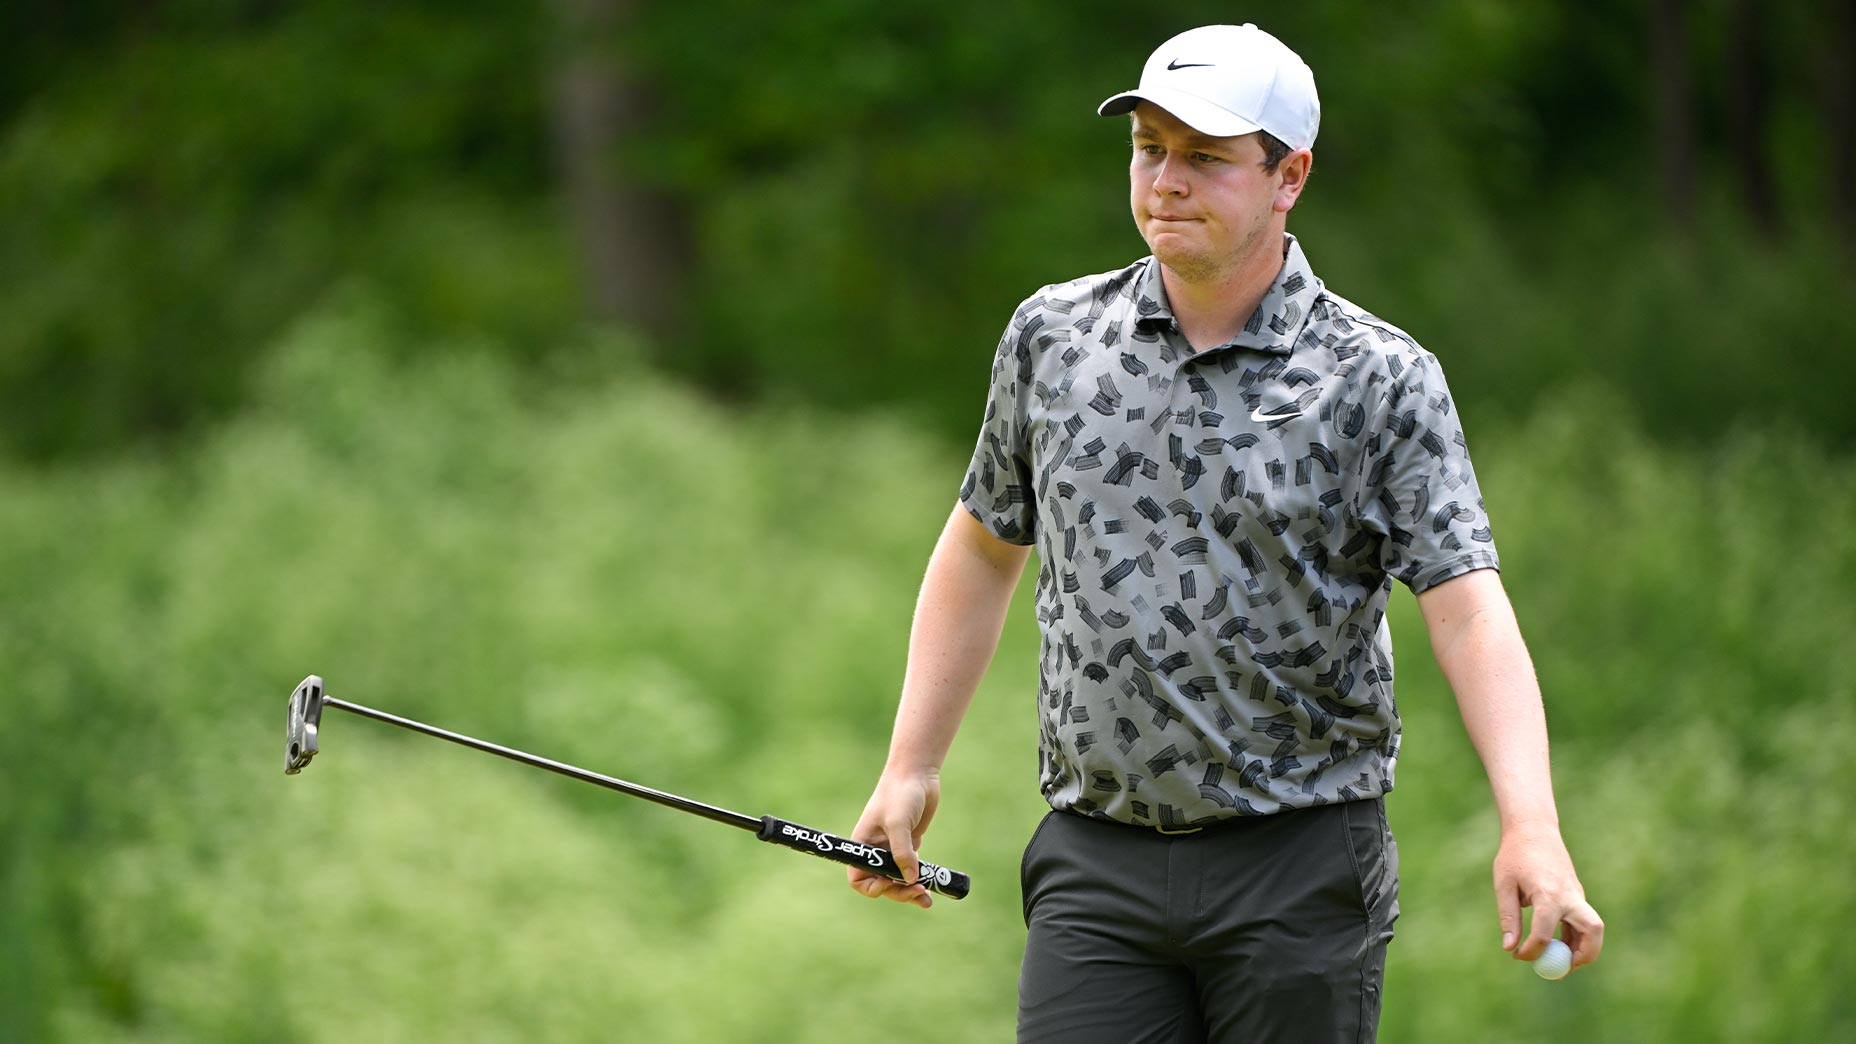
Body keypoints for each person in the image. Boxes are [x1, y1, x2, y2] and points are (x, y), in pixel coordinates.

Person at [846, 22, 1604, 1043]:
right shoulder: (1052, 339)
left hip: (1296, 872)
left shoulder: (1376, 378)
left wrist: (1532, 827)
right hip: (1096, 865)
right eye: (1148, 149)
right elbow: (982, 551)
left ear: (1287, 176)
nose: (1166, 180)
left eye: (1205, 158)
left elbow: (1466, 613)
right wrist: (909, 765)